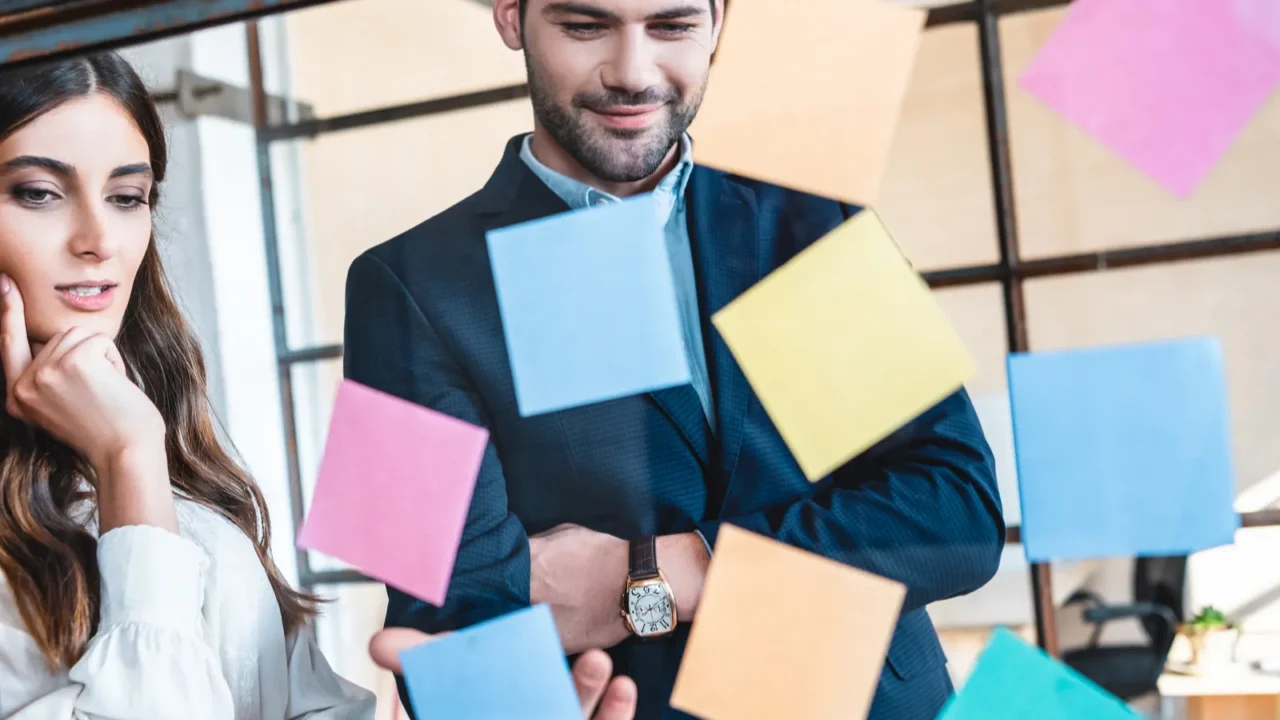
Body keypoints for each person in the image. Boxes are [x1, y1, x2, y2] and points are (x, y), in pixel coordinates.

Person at [347, 0, 1005, 717]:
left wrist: (667, 572)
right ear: (511, 17)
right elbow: (442, 619)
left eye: (672, 26)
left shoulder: (809, 221)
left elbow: (955, 515)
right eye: (584, 26)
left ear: (720, 20)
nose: (632, 73)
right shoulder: (406, 286)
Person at [0, 53, 374, 718]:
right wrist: (128, 455)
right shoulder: (133, 442)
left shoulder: (170, 447)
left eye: (126, 198)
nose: (98, 240)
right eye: (38, 193)